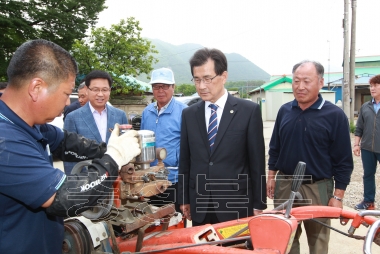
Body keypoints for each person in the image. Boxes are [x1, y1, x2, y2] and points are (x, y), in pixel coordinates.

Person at [0, 39, 141, 254]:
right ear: (36, 88)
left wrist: (108, 148)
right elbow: (62, 198)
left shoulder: (31, 125)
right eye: (66, 94)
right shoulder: (5, 140)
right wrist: (112, 160)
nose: (68, 103)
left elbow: (66, 142)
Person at [266, 60, 353, 254]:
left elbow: (344, 161)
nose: (300, 86)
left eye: (306, 81)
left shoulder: (335, 116)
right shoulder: (285, 111)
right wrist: (271, 177)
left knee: (318, 240)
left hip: (317, 187)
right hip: (285, 183)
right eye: (296, 81)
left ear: (321, 82)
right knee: (286, 236)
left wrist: (337, 196)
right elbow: (275, 148)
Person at [177, 48, 267, 226]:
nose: (201, 86)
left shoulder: (248, 111)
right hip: (200, 205)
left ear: (224, 76)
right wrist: (184, 198)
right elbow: (185, 161)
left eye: (207, 79)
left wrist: (259, 203)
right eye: (197, 79)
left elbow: (257, 162)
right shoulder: (189, 114)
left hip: (236, 204)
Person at [63, 70, 129, 174]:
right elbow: (69, 156)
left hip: (116, 177)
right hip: (87, 179)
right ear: (87, 91)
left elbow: (126, 148)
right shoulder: (73, 118)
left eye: (104, 90)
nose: (100, 94)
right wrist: (75, 183)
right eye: (95, 89)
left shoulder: (120, 115)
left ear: (110, 91)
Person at [141, 68, 187, 211]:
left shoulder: (184, 111)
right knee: (151, 222)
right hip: (149, 179)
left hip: (173, 180)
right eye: (156, 86)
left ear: (173, 87)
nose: (160, 90)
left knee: (174, 222)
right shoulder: (147, 112)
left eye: (165, 86)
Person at [353, 74, 380, 210]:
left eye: (375, 85)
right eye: (371, 86)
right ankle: (369, 201)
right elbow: (359, 128)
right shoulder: (365, 106)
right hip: (367, 148)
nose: (372, 88)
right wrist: (357, 144)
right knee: (368, 174)